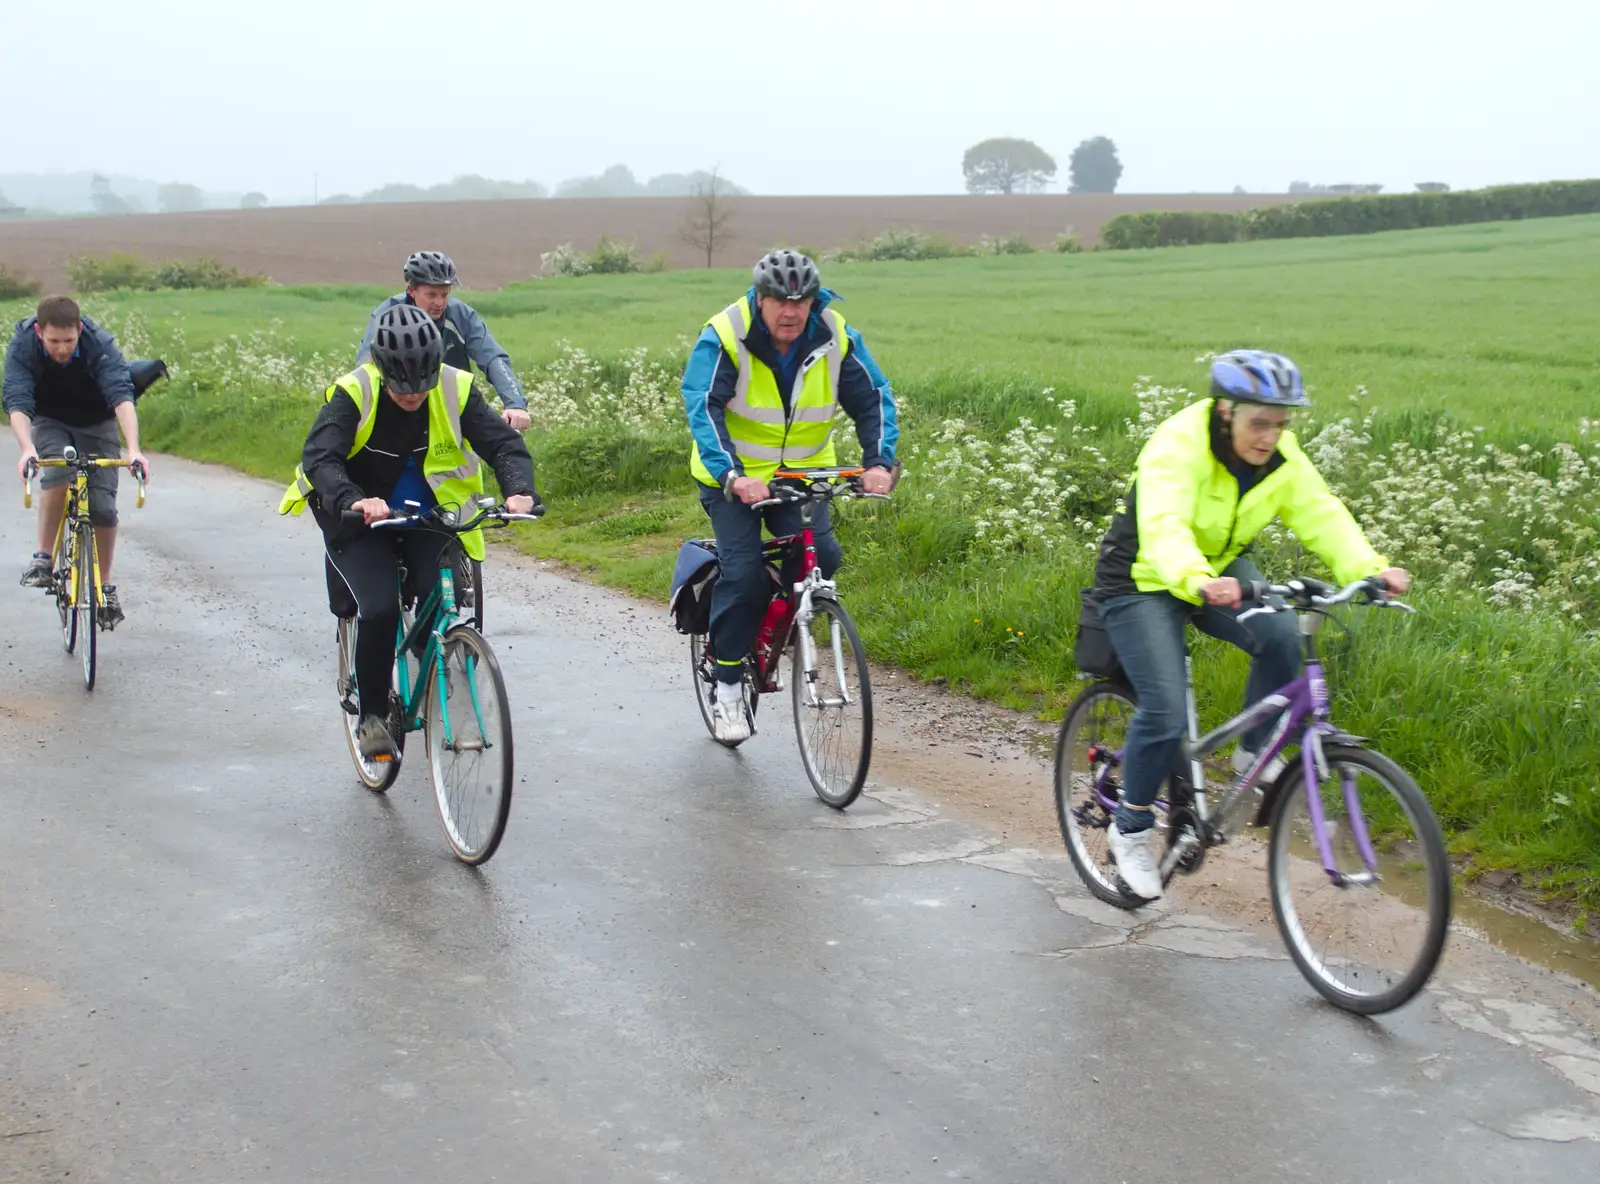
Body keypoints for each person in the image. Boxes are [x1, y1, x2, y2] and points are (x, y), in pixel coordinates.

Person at [1089, 349, 1411, 901]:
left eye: (1280, 423)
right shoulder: (1178, 443)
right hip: (1141, 578)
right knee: (1164, 709)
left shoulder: (1280, 455)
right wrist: (1195, 577)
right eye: (1258, 422)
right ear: (1224, 412)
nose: (1270, 436)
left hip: (1216, 571)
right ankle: (1131, 830)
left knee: (1285, 635)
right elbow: (1164, 521)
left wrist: (1370, 569)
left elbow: (1320, 511)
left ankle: (1252, 751)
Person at [282, 304, 540, 761]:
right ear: (383, 370)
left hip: (423, 511)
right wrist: (352, 499)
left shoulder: (454, 386)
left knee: (437, 590)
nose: (415, 398)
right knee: (379, 608)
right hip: (357, 514)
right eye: (404, 392)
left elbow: (501, 444)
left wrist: (519, 490)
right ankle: (374, 717)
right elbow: (320, 458)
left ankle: (432, 657)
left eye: (422, 388)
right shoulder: (355, 392)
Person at [681, 250, 898, 743]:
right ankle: (730, 683)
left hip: (802, 472)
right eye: (779, 299)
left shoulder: (835, 334)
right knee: (745, 574)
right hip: (733, 477)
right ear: (760, 298)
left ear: (813, 300)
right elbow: (703, 406)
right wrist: (731, 474)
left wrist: (879, 461)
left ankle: (775, 626)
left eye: (801, 301)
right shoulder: (725, 334)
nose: (790, 311)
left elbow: (873, 398)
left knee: (824, 556)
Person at [5, 295, 148, 626]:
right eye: (54, 341)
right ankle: (43, 557)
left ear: (79, 330)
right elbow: (17, 401)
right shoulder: (23, 345)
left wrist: (134, 449)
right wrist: (28, 448)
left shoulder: (98, 344)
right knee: (57, 469)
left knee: (103, 508)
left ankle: (106, 587)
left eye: (69, 341)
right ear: (40, 333)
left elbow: (121, 396)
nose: (62, 349)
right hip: (49, 418)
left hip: (96, 420)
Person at [356, 250, 531, 432]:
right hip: (401, 408)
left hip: (452, 411)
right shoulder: (387, 315)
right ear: (411, 290)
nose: (439, 303)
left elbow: (492, 357)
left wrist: (515, 403)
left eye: (444, 295)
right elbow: (364, 369)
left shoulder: (461, 315)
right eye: (431, 295)